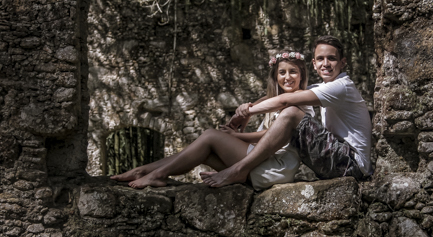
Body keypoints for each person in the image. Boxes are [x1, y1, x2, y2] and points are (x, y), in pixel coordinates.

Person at [109, 51, 312, 189]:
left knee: (210, 136)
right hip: (261, 163)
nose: (287, 77)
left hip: (275, 167)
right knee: (203, 152)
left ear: (302, 75)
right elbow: (260, 105)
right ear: (275, 76)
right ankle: (145, 170)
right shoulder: (272, 100)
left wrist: (235, 136)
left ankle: (156, 175)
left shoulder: (302, 101)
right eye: (282, 72)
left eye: (293, 72)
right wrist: (247, 112)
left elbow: (273, 137)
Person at [201, 35, 372, 187]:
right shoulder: (323, 87)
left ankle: (238, 170)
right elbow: (285, 95)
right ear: (314, 64)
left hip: (352, 164)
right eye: (320, 59)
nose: (325, 64)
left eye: (332, 59)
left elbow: (284, 100)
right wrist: (248, 107)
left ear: (343, 62)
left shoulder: (341, 86)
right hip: (340, 159)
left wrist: (248, 113)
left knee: (291, 113)